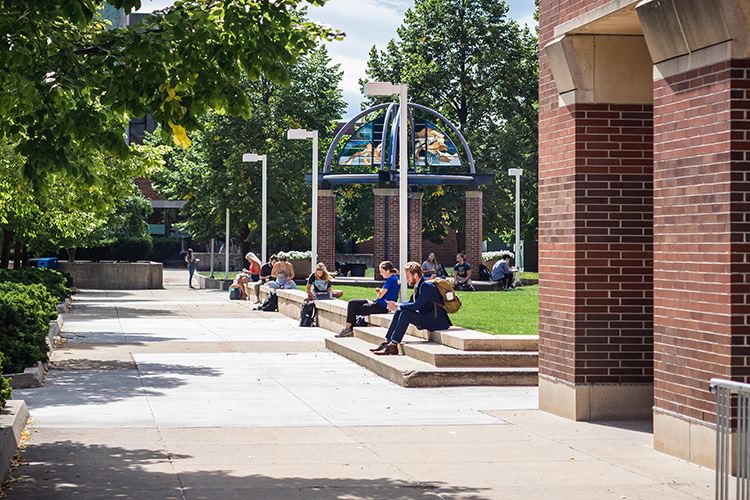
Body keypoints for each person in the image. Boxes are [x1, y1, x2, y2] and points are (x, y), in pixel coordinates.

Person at [371, 261, 452, 355]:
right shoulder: (419, 285)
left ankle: (393, 345)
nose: (406, 279)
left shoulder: (426, 286)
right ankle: (388, 341)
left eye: (408, 276)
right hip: (426, 316)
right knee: (400, 311)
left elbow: (416, 305)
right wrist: (396, 305)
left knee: (405, 313)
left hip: (435, 320)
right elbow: (410, 303)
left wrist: (397, 305)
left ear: (415, 275)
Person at [336, 261, 400, 338]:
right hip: (378, 303)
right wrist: (379, 293)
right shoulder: (395, 279)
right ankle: (349, 329)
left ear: (388, 270)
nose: (380, 273)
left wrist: (379, 292)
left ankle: (348, 329)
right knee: (352, 303)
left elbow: (380, 296)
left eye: (382, 271)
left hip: (381, 306)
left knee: (354, 308)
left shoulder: (390, 280)